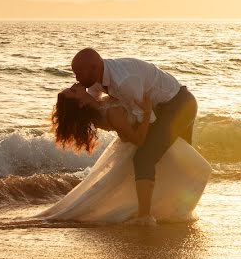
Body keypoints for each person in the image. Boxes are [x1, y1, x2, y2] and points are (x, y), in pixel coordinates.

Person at [59, 48, 199, 225]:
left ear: (93, 68)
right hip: (164, 106)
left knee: (144, 157)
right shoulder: (97, 77)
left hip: (178, 106)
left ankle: (145, 217)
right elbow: (91, 102)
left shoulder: (125, 82)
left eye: (78, 73)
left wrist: (131, 133)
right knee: (171, 158)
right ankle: (173, 211)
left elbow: (148, 123)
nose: (76, 79)